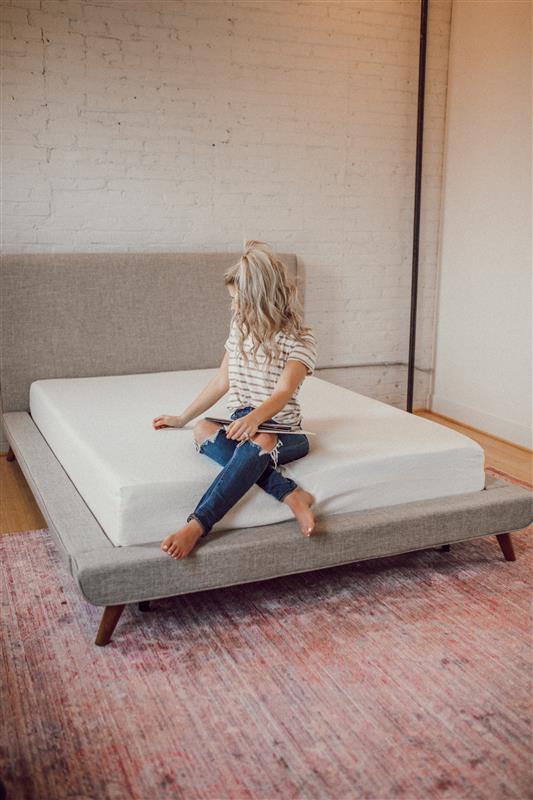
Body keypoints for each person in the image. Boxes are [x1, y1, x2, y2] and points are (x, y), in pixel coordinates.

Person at [153, 239, 319, 560]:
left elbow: (283, 392)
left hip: (283, 429)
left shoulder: (300, 339)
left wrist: (255, 419)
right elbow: (222, 381)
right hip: (244, 422)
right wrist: (182, 418)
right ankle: (291, 494)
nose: (233, 307)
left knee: (262, 439)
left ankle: (197, 525)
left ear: (260, 298)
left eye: (237, 300)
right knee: (202, 430)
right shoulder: (240, 327)